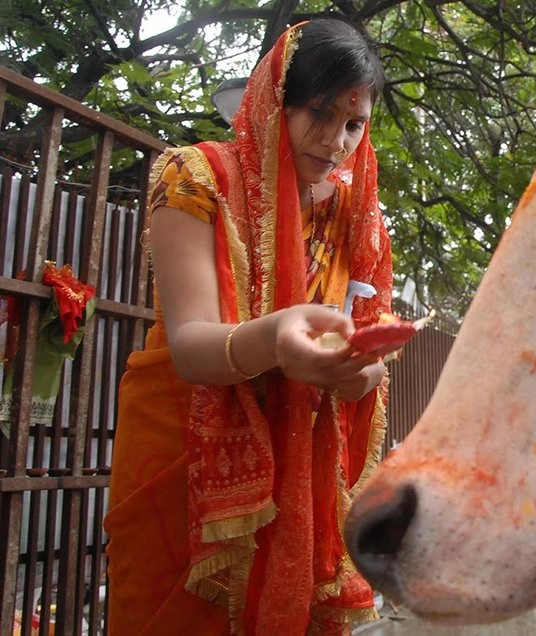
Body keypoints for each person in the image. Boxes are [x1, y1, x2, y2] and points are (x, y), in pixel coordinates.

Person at [104, 17, 392, 635]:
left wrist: (356, 373)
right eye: (318, 113)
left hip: (302, 469)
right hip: (185, 458)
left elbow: (358, 362)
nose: (337, 141)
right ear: (273, 100)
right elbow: (191, 345)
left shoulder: (354, 214)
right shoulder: (196, 177)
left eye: (353, 124)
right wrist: (278, 342)